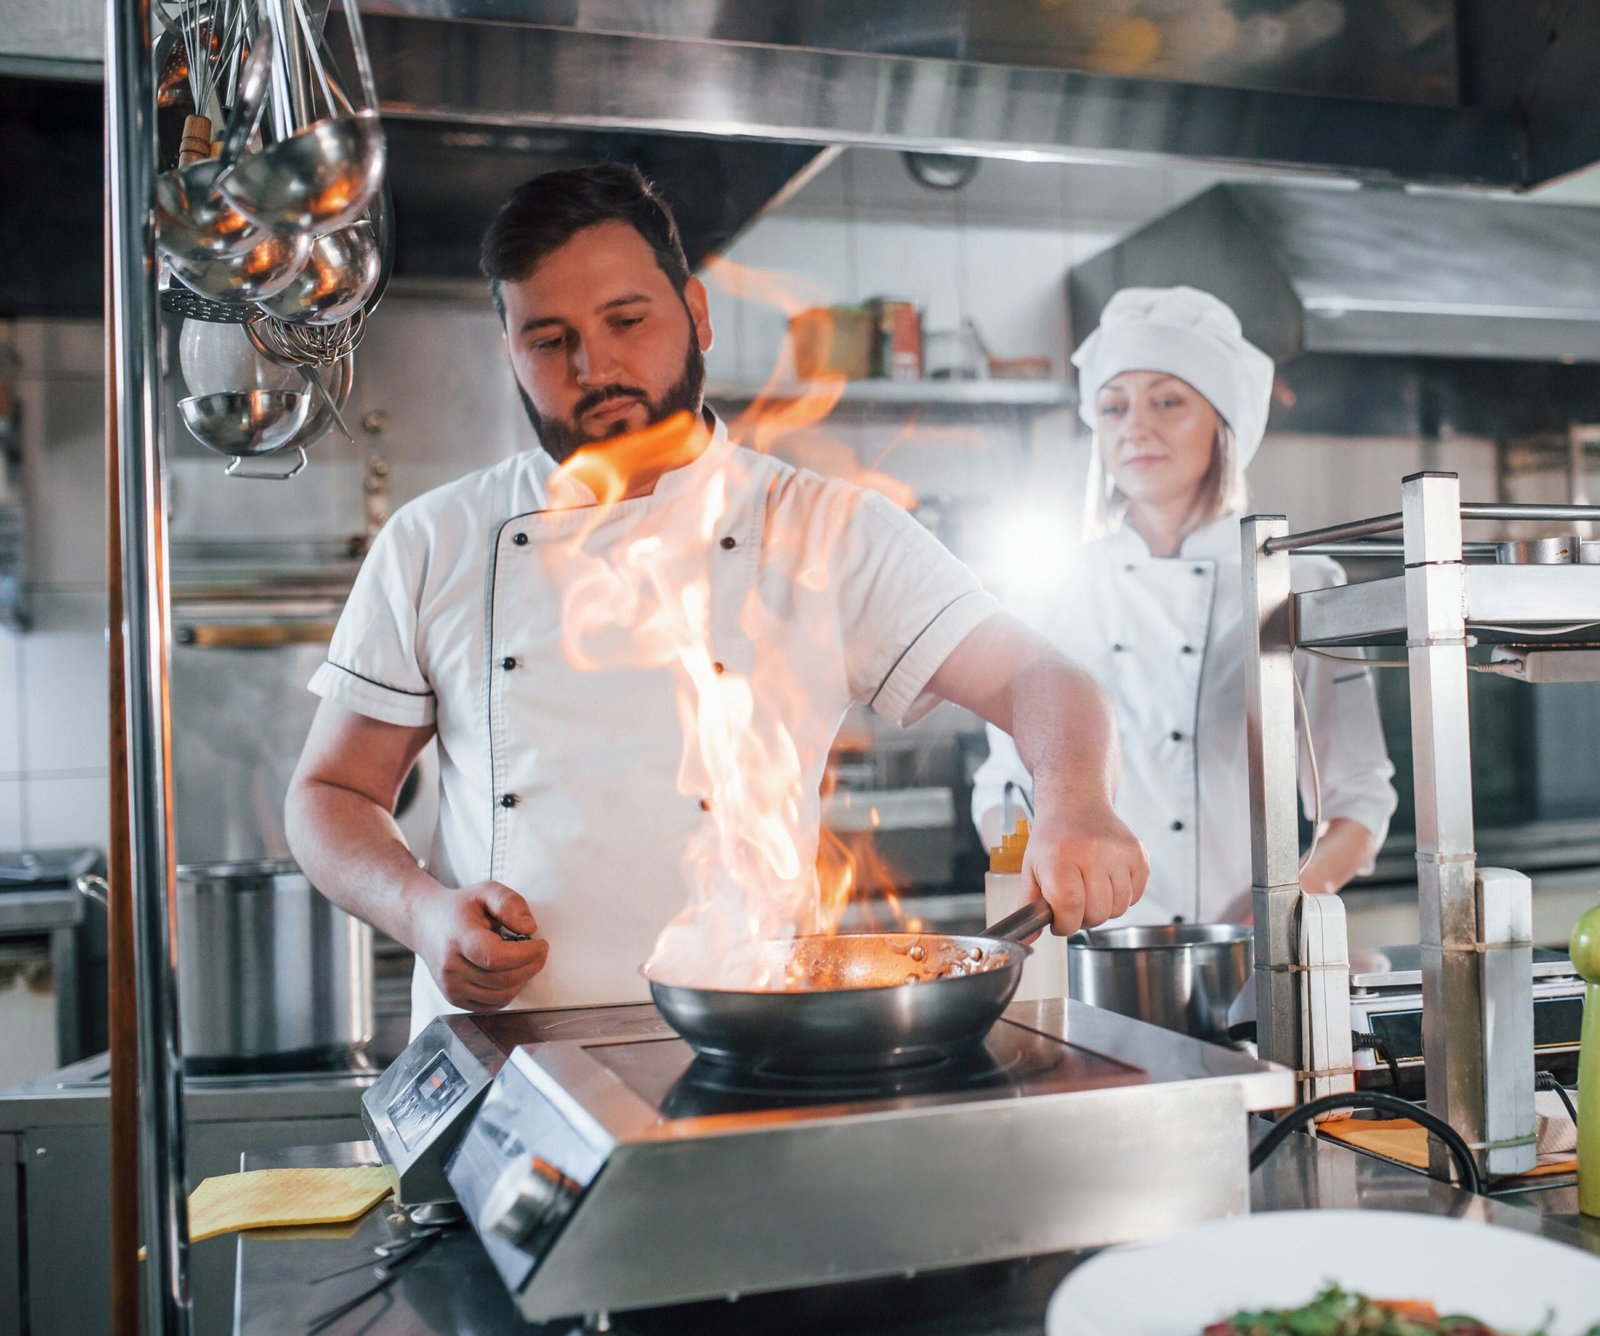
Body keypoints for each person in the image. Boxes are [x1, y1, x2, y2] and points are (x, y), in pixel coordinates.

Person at [285, 164, 1149, 1034]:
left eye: (627, 320)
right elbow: (330, 794)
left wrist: (1076, 799)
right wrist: (420, 911)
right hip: (504, 1055)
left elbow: (1037, 673)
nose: (597, 367)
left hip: (750, 1040)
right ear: (508, 348)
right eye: (550, 341)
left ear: (696, 313)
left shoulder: (821, 528)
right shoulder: (437, 540)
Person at [972, 286, 1396, 926]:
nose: (1135, 427)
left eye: (1168, 401)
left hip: (1250, 952)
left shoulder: (1301, 579)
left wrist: (1287, 905)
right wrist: (1034, 871)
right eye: (1113, 408)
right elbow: (1002, 783)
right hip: (1090, 945)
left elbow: (1360, 798)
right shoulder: (1046, 588)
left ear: (1224, 424)